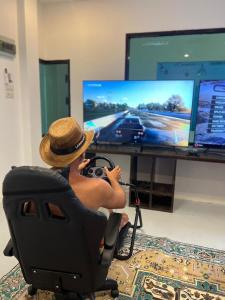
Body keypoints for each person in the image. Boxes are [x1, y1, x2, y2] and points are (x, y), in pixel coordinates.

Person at [39, 117, 129, 228]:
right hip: (82, 243)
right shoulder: (98, 186)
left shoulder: (38, 182)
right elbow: (121, 201)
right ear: (82, 154)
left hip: (47, 239)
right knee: (122, 217)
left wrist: (76, 169)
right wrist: (114, 180)